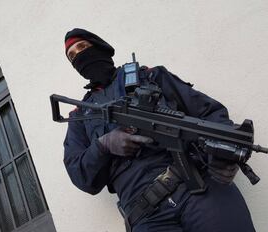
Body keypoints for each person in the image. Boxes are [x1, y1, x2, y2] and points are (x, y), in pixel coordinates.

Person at [62, 28, 256, 232]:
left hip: (200, 189)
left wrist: (224, 153)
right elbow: (80, 176)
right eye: (72, 56)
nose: (79, 57)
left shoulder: (150, 76)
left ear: (100, 48)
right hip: (146, 214)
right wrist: (103, 146)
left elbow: (208, 113)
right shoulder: (80, 115)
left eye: (82, 47)